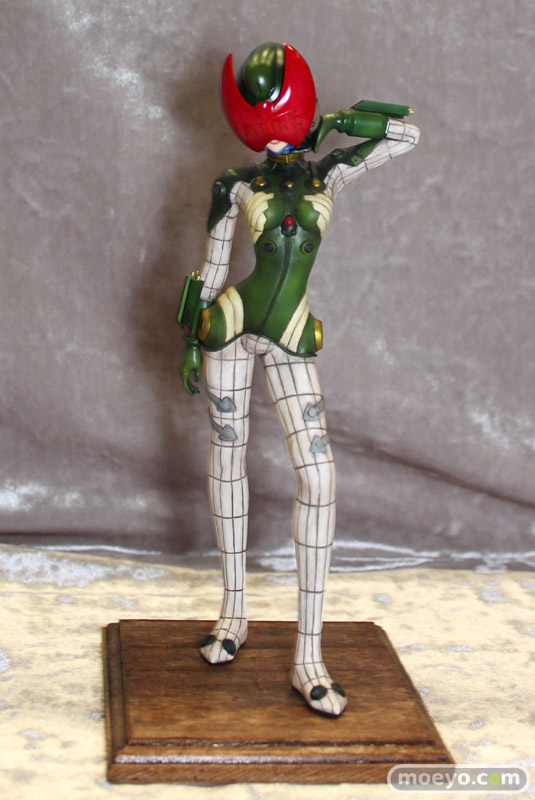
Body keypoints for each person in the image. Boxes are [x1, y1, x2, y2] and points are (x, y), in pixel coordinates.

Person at [177, 42, 419, 716]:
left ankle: (308, 654)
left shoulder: (329, 173)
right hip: (229, 326)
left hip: (288, 333)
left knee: (318, 478)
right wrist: (190, 336)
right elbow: (211, 266)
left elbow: (406, 135)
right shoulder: (235, 182)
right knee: (226, 456)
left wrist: (338, 122)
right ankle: (233, 614)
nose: (268, 119)